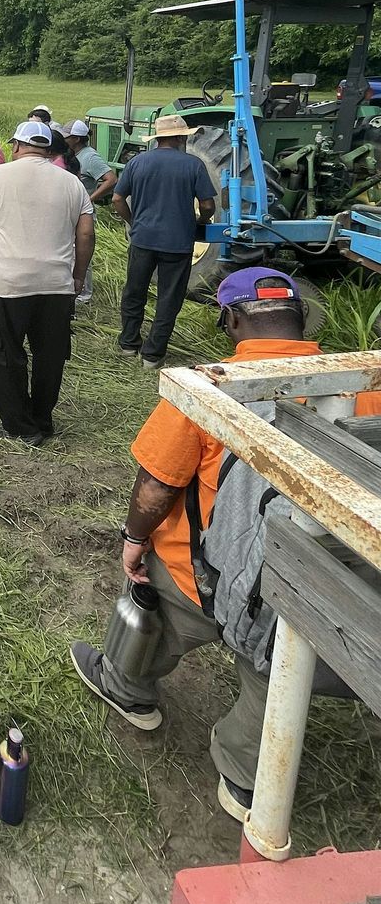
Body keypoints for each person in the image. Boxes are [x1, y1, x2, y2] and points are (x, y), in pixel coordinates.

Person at [69, 268, 380, 826]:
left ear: (231, 320)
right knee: (277, 670)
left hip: (209, 577)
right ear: (303, 318)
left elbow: (157, 485)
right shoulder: (363, 384)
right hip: (312, 591)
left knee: (159, 600)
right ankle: (245, 779)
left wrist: (133, 541)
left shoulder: (211, 388)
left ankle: (128, 686)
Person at [0, 121, 95, 442]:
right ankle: (42, 419)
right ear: (48, 149)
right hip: (56, 286)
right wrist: (78, 275)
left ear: (17, 146)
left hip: (6, 284)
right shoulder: (71, 183)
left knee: (3, 353)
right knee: (49, 356)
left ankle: (20, 426)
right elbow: (86, 233)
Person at [112, 114, 217, 369]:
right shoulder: (193, 165)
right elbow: (207, 204)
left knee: (134, 292)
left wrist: (133, 221)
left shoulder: (137, 162)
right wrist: (201, 221)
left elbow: (116, 199)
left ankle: (128, 344)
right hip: (178, 243)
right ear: (181, 137)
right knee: (168, 299)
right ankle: (152, 355)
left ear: (158, 139)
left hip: (142, 240)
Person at [63, 120, 117, 308]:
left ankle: (83, 295)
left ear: (76, 139)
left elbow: (111, 179)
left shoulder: (90, 157)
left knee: (81, 251)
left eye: (67, 137)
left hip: (83, 212)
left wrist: (90, 198)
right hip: (75, 211)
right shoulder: (75, 155)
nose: (64, 140)